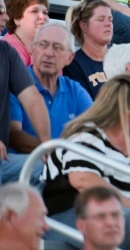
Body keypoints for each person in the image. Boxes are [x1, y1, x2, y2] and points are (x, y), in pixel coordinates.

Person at [42, 75, 130, 247]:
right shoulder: (87, 135)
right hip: (74, 213)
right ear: (129, 108)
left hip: (123, 215)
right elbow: (83, 179)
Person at [9, 23, 92, 154]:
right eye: (43, 44)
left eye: (57, 47)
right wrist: (56, 153)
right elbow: (13, 136)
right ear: (33, 49)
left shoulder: (75, 90)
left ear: (70, 58)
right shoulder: (15, 83)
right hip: (24, 162)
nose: (49, 53)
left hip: (65, 163)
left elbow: (95, 129)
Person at [63, 0, 112, 99]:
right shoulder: (73, 65)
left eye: (110, 20)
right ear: (84, 26)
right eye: (101, 19)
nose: (108, 24)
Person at [3, 0, 50, 66]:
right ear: (17, 18)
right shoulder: (9, 50)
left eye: (45, 12)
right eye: (34, 11)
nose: (42, 17)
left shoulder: (45, 47)